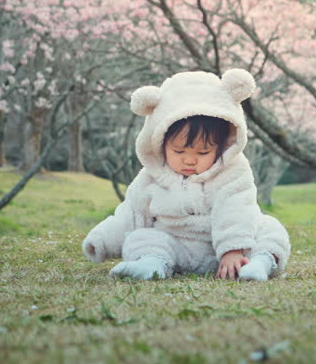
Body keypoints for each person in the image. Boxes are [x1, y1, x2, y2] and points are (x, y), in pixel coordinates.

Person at [81, 68, 290, 281]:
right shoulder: (151, 177)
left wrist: (233, 250)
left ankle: (260, 263)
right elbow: (132, 214)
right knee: (142, 236)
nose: (189, 160)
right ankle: (151, 264)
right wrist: (101, 240)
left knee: (269, 228)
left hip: (226, 251)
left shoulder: (232, 172)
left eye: (203, 152)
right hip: (175, 246)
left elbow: (236, 209)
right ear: (160, 143)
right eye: (179, 151)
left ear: (222, 147)